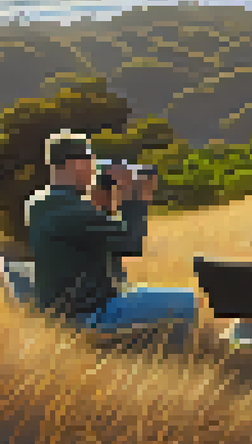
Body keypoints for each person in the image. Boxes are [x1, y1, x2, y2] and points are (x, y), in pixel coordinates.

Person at [27, 130, 200, 336]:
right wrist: (134, 196)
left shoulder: (41, 201)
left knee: (143, 291)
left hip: (66, 309)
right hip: (88, 313)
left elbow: (99, 232)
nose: (94, 168)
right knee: (187, 302)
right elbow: (130, 245)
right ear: (76, 163)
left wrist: (107, 194)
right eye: (92, 161)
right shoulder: (69, 207)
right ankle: (174, 360)